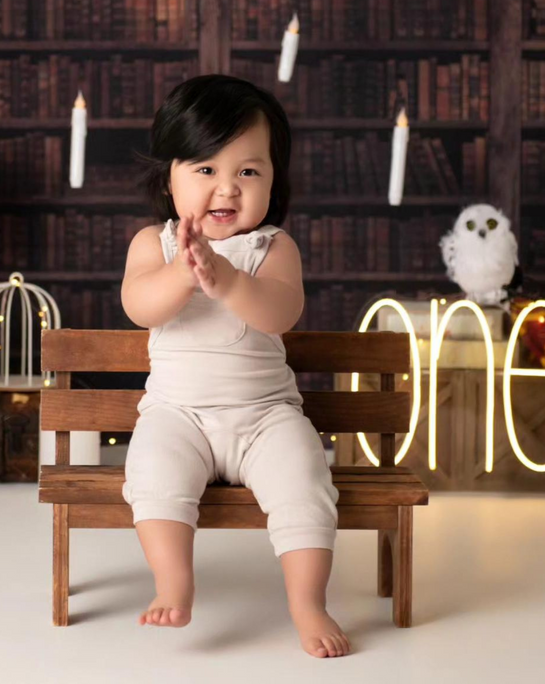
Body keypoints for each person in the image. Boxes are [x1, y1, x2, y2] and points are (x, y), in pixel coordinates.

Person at [120, 74, 350, 658]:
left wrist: (225, 279)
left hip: (264, 415)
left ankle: (307, 601)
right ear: (168, 177)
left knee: (305, 479)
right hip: (178, 414)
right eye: (205, 170)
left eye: (248, 171)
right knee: (150, 470)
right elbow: (139, 307)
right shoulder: (156, 245)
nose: (227, 189)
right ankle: (174, 581)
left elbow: (280, 312)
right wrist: (181, 273)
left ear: (274, 179)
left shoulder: (273, 248)